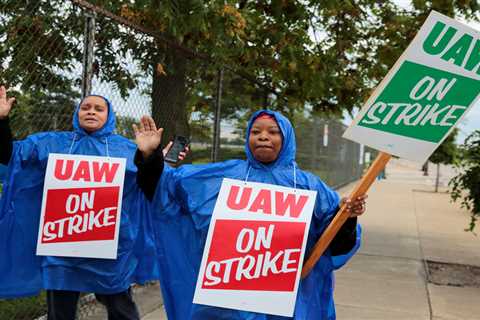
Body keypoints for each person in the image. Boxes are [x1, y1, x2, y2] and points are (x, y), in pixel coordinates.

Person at [134, 110, 367, 320]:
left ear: (286, 139)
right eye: (256, 131)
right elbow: (166, 190)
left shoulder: (309, 186)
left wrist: (347, 216)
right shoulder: (224, 175)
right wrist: (149, 156)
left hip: (288, 303)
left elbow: (336, 242)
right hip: (229, 305)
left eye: (273, 132)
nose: (263, 137)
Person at [0, 85, 184, 320]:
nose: (91, 112)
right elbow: (10, 156)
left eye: (99, 109)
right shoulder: (51, 143)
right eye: (85, 107)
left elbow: (153, 183)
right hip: (61, 246)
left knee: (121, 308)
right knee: (60, 311)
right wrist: (1, 122)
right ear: (77, 113)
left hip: (111, 246)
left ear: (109, 116)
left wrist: (152, 157)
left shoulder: (126, 148)